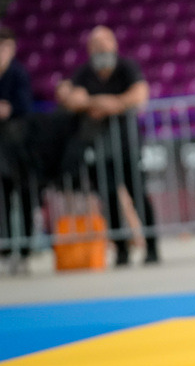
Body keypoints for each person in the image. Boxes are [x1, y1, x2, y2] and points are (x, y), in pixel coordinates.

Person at [55, 26, 159, 266]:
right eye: (96, 44)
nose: (101, 48)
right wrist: (113, 103)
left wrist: (104, 103)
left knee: (139, 196)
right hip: (99, 148)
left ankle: (152, 247)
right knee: (109, 199)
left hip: (128, 145)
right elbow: (72, 99)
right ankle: (121, 251)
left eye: (105, 43)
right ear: (89, 49)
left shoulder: (127, 67)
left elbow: (140, 95)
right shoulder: (84, 72)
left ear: (114, 45)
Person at [0, 28, 35, 266]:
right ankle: (3, 248)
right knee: (2, 199)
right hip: (1, 149)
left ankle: (24, 250)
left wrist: (8, 109)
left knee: (24, 197)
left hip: (19, 146)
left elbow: (24, 106)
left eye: (6, 47)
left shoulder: (18, 73)